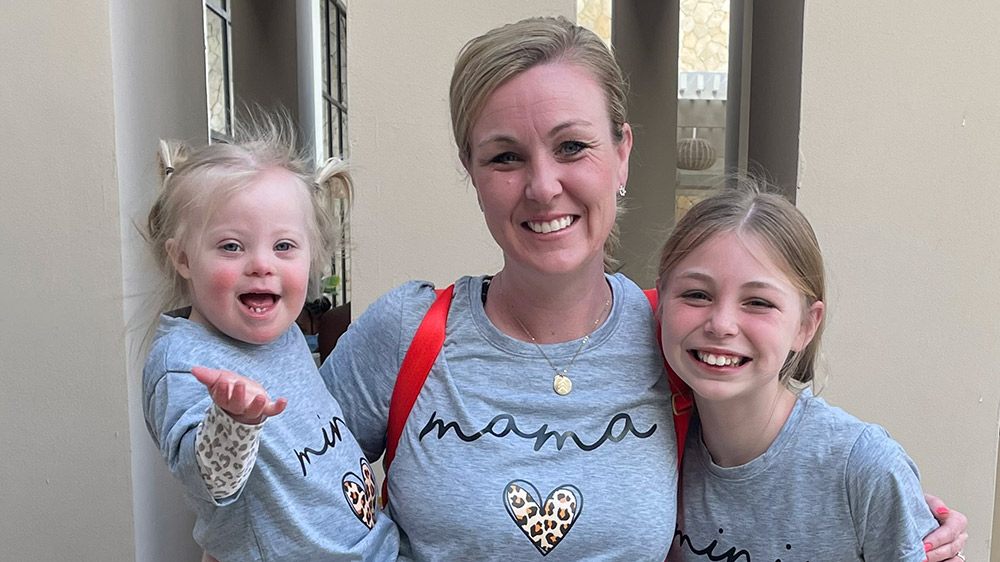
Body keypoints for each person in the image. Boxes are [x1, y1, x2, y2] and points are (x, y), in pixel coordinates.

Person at [196, 16, 967, 561]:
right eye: (504, 157)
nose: (543, 186)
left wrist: (890, 517)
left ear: (622, 153)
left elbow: (771, 477)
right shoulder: (407, 333)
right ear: (471, 171)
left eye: (573, 146)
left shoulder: (682, 342)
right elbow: (280, 490)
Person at [141, 116, 399, 561]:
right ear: (183, 258)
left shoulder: (283, 334)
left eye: (283, 247)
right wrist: (232, 422)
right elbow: (209, 482)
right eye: (231, 246)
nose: (262, 265)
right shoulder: (184, 360)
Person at [658, 185, 949, 561]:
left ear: (805, 326)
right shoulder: (648, 444)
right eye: (697, 294)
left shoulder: (864, 467)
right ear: (661, 300)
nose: (722, 324)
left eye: (758, 302)